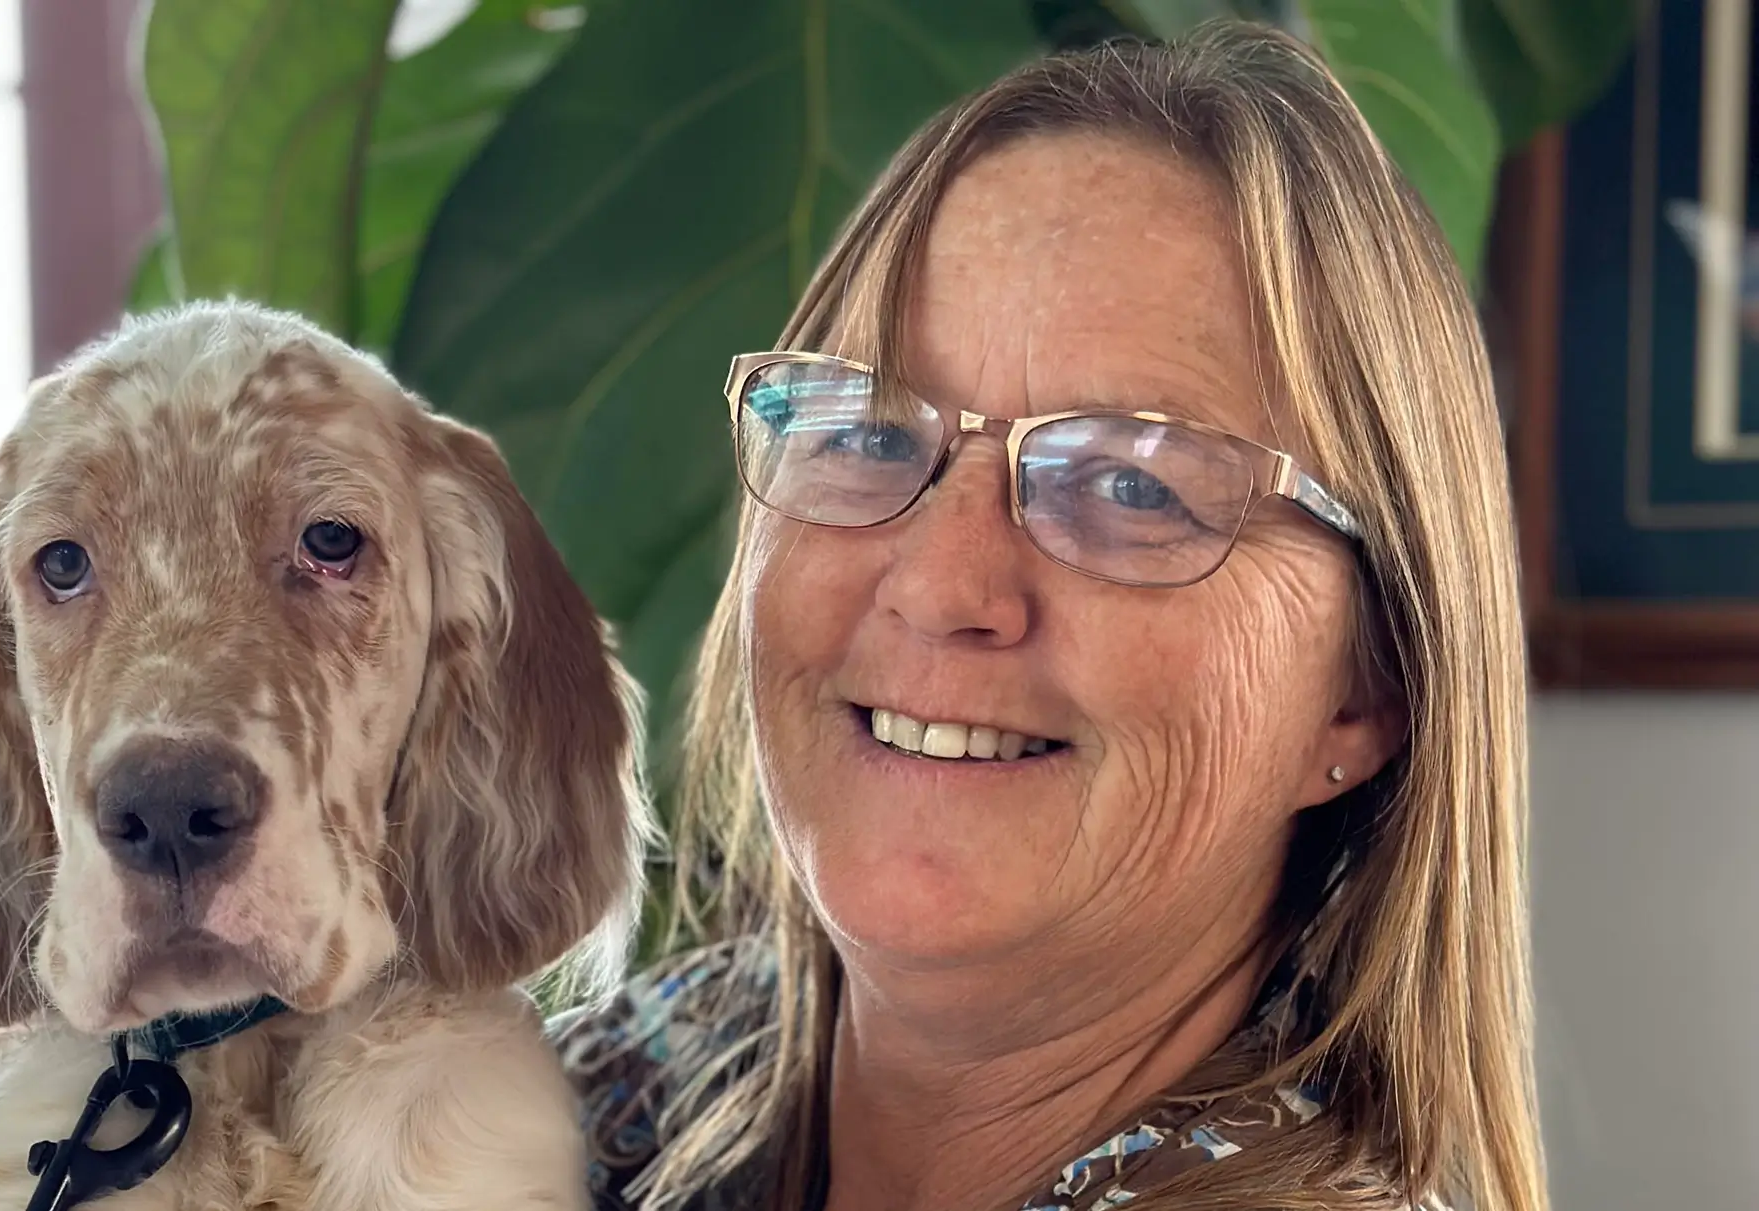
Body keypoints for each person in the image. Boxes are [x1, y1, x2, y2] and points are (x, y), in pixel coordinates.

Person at [549, 21, 1543, 1211]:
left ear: (1364, 690)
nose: (942, 584)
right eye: (868, 434)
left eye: (1133, 482)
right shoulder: (627, 1082)